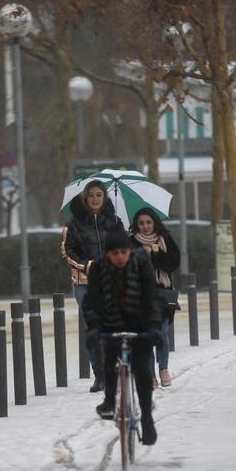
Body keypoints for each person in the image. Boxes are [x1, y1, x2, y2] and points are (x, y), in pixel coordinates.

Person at [82, 228, 163, 446]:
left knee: (142, 369)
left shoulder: (141, 263)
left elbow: (151, 297)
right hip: (111, 323)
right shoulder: (98, 268)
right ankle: (109, 400)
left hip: (140, 322)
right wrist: (93, 328)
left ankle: (146, 416)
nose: (119, 257)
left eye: (123, 252)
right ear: (107, 254)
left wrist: (154, 326)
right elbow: (92, 302)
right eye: (114, 253)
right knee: (109, 362)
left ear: (129, 251)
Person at [61, 180, 125, 392]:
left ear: (104, 197)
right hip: (84, 283)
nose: (95, 199)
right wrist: (86, 265)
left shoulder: (115, 221)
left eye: (99, 194)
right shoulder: (73, 224)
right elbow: (66, 252)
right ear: (85, 198)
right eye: (91, 195)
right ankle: (99, 376)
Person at [129, 208, 180, 388]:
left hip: (163, 294)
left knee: (162, 333)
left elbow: (173, 264)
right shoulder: (131, 243)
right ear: (137, 225)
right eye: (141, 223)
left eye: (148, 222)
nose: (145, 226)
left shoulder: (165, 239)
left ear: (155, 223)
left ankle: (163, 369)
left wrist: (157, 253)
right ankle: (150, 375)